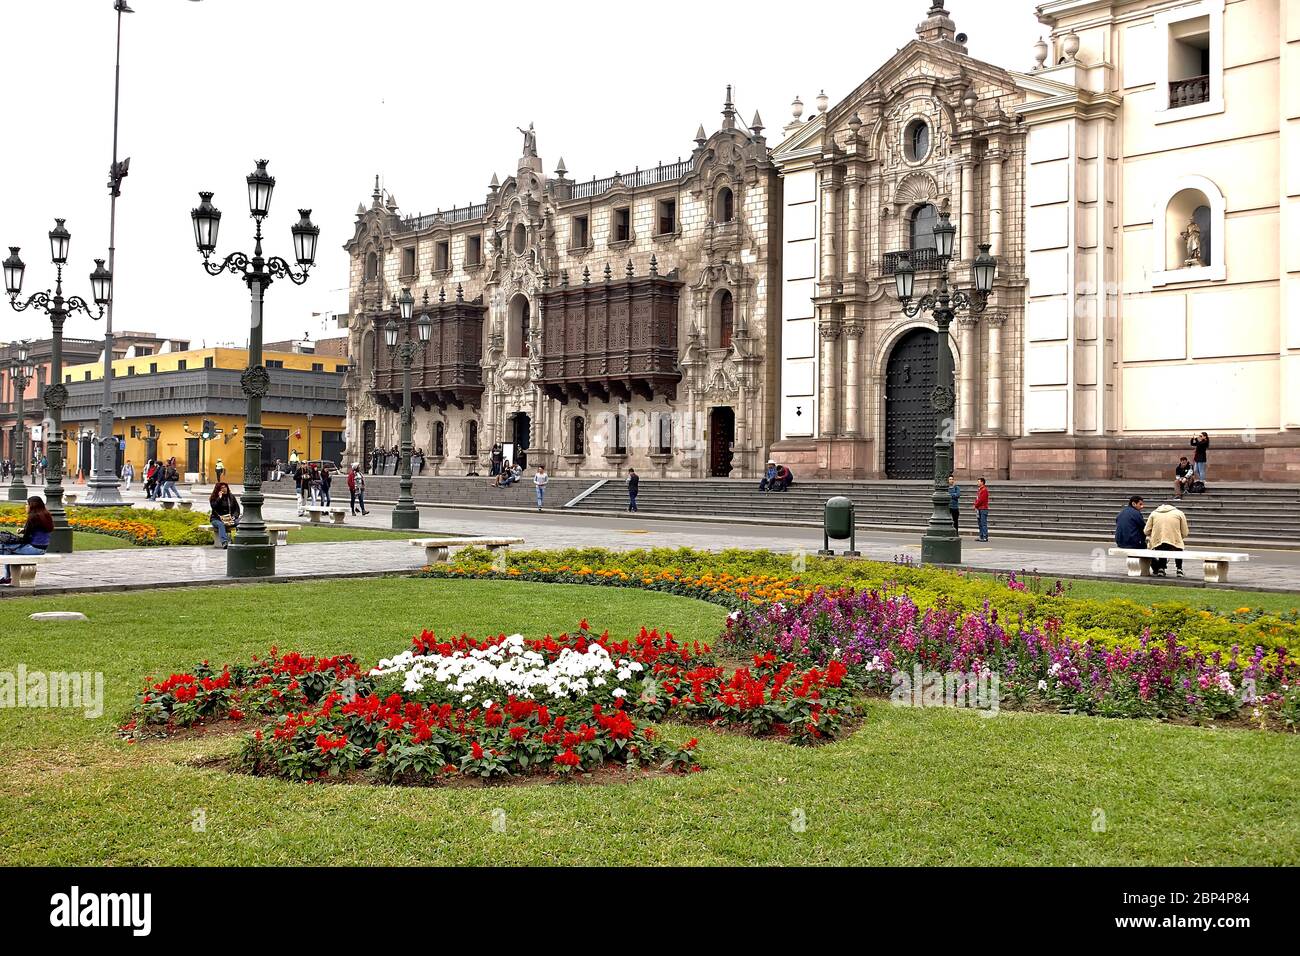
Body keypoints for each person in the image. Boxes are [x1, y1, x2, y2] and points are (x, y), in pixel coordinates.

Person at [0, 496, 53, 585]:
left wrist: (13, 540)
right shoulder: (45, 515)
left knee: (3, 547)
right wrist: (24, 530)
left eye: (27, 504)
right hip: (42, 548)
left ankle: (7, 577)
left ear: (32, 506)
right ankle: (7, 577)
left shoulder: (33, 517)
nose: (25, 506)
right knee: (6, 548)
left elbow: (25, 539)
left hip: (34, 548)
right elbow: (38, 530)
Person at [1144, 500, 1189, 578]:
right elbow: (1185, 532)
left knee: (1162, 545)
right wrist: (1179, 536)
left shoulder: (1154, 513)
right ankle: (1179, 569)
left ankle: (1161, 568)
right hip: (1174, 540)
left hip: (1158, 540)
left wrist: (1154, 534)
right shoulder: (1179, 513)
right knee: (1178, 546)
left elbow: (1146, 531)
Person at [208, 481, 240, 550]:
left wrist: (234, 516)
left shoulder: (231, 497)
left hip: (229, 519)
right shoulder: (214, 497)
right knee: (220, 525)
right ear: (218, 489)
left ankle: (239, 540)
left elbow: (237, 509)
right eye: (222, 488)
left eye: (225, 487)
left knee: (239, 523)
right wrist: (219, 498)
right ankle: (224, 542)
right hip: (217, 519)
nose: (224, 489)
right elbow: (214, 507)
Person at [973, 477, 990, 542]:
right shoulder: (980, 490)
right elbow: (977, 499)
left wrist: (975, 505)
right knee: (980, 523)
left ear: (982, 482)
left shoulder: (984, 490)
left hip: (983, 509)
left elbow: (981, 500)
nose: (977, 483)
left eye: (978, 481)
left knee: (983, 523)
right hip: (979, 508)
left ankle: (985, 537)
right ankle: (981, 536)